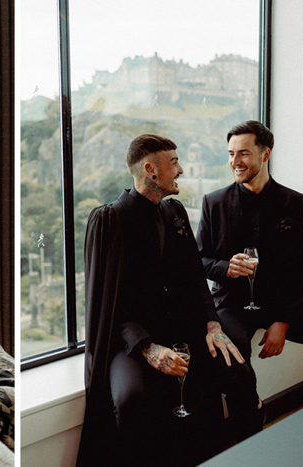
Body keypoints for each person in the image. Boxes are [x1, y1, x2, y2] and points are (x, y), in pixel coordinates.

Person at [76, 134, 258, 467]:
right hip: (130, 339)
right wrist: (148, 348)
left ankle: (250, 457)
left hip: (184, 329)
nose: (181, 170)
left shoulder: (174, 211)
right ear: (151, 170)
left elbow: (194, 277)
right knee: (132, 397)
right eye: (173, 163)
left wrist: (212, 323)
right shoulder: (109, 221)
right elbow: (106, 304)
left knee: (239, 372)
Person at [196, 120, 303, 415]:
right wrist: (225, 268)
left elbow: (301, 266)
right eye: (230, 154)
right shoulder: (212, 202)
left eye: (243, 153)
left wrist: (282, 320)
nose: (235, 162)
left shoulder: (293, 202)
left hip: (285, 301)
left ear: (265, 154)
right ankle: (250, 422)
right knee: (236, 350)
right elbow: (199, 260)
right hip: (232, 303)